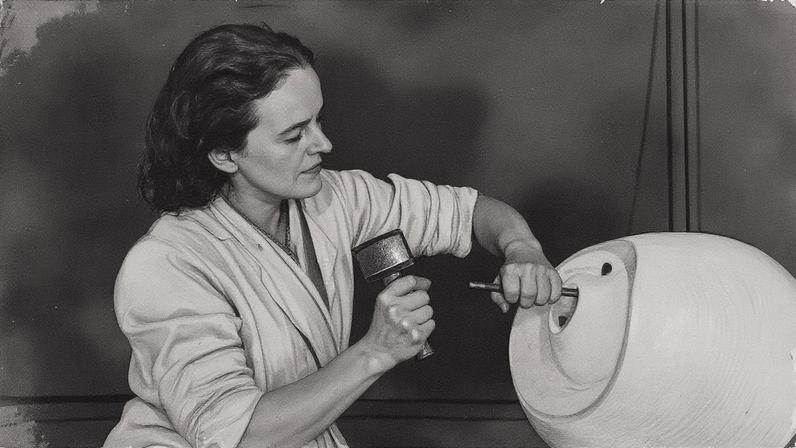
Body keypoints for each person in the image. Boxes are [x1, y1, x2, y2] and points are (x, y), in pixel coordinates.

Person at [104, 23, 563, 448]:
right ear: (225, 154)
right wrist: (376, 351)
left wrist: (523, 250)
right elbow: (238, 436)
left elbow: (471, 213)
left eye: (318, 121)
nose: (323, 144)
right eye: (294, 135)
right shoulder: (166, 264)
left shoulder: (333, 198)